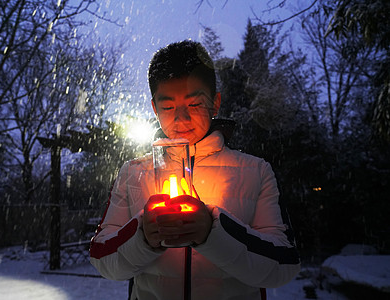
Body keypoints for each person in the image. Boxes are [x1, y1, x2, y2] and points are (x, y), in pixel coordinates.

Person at [90, 40, 300, 300]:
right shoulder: (133, 172)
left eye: (194, 104)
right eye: (167, 107)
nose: (181, 118)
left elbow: (285, 264)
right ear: (154, 107)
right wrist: (142, 235)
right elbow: (101, 257)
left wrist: (212, 230)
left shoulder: (255, 171)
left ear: (215, 103)